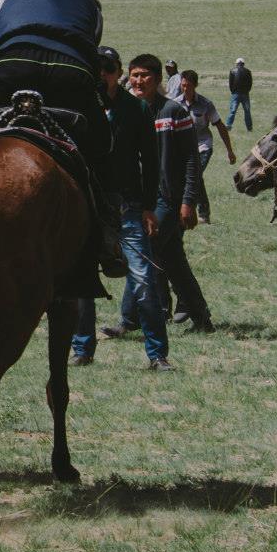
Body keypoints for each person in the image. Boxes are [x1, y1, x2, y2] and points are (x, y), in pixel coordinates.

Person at [0, 0, 118, 289]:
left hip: (12, 63)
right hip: (70, 74)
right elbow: (92, 53)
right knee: (101, 144)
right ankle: (107, 235)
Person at [70, 47, 170, 370]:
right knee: (82, 280)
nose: (103, 75)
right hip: (87, 204)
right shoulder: (80, 107)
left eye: (109, 68)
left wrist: (149, 206)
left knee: (143, 281)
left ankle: (157, 355)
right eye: (97, 68)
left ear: (118, 72)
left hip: (127, 205)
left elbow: (151, 162)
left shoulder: (137, 109)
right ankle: (82, 348)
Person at [115, 54, 214, 334]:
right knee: (173, 261)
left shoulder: (173, 112)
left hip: (168, 198)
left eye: (145, 75)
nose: (138, 81)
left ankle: (128, 320)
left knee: (142, 251)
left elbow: (191, 159)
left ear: (158, 79)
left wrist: (188, 201)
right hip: (143, 197)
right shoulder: (131, 111)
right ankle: (203, 319)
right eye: (134, 75)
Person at [173, 69, 236, 224]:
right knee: (191, 177)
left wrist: (229, 150)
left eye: (188, 85)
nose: (185, 88)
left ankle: (202, 212)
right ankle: (187, 209)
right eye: (183, 85)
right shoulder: (174, 104)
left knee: (194, 175)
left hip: (202, 146)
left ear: (196, 85)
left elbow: (220, 126)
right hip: (182, 148)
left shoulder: (206, 104)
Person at [227, 57, 253, 132]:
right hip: (245, 94)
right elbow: (250, 83)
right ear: (243, 64)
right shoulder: (248, 71)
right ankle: (249, 128)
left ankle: (228, 125)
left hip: (236, 94)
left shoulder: (232, 71)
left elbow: (230, 84)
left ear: (236, 64)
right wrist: (247, 91)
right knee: (247, 111)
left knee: (232, 110)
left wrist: (233, 91)